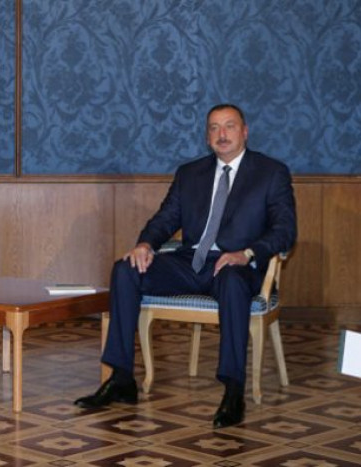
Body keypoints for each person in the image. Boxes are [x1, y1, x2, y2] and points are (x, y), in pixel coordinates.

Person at [74, 104, 297, 429]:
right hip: (191, 262)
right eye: (214, 128)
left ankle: (233, 390)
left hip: (237, 266)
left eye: (229, 126)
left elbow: (285, 231)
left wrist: (247, 253)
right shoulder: (190, 174)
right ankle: (121, 378)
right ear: (207, 137)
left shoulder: (271, 173)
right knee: (125, 270)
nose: (222, 134)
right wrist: (145, 244)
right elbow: (166, 218)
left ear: (245, 132)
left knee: (233, 281)